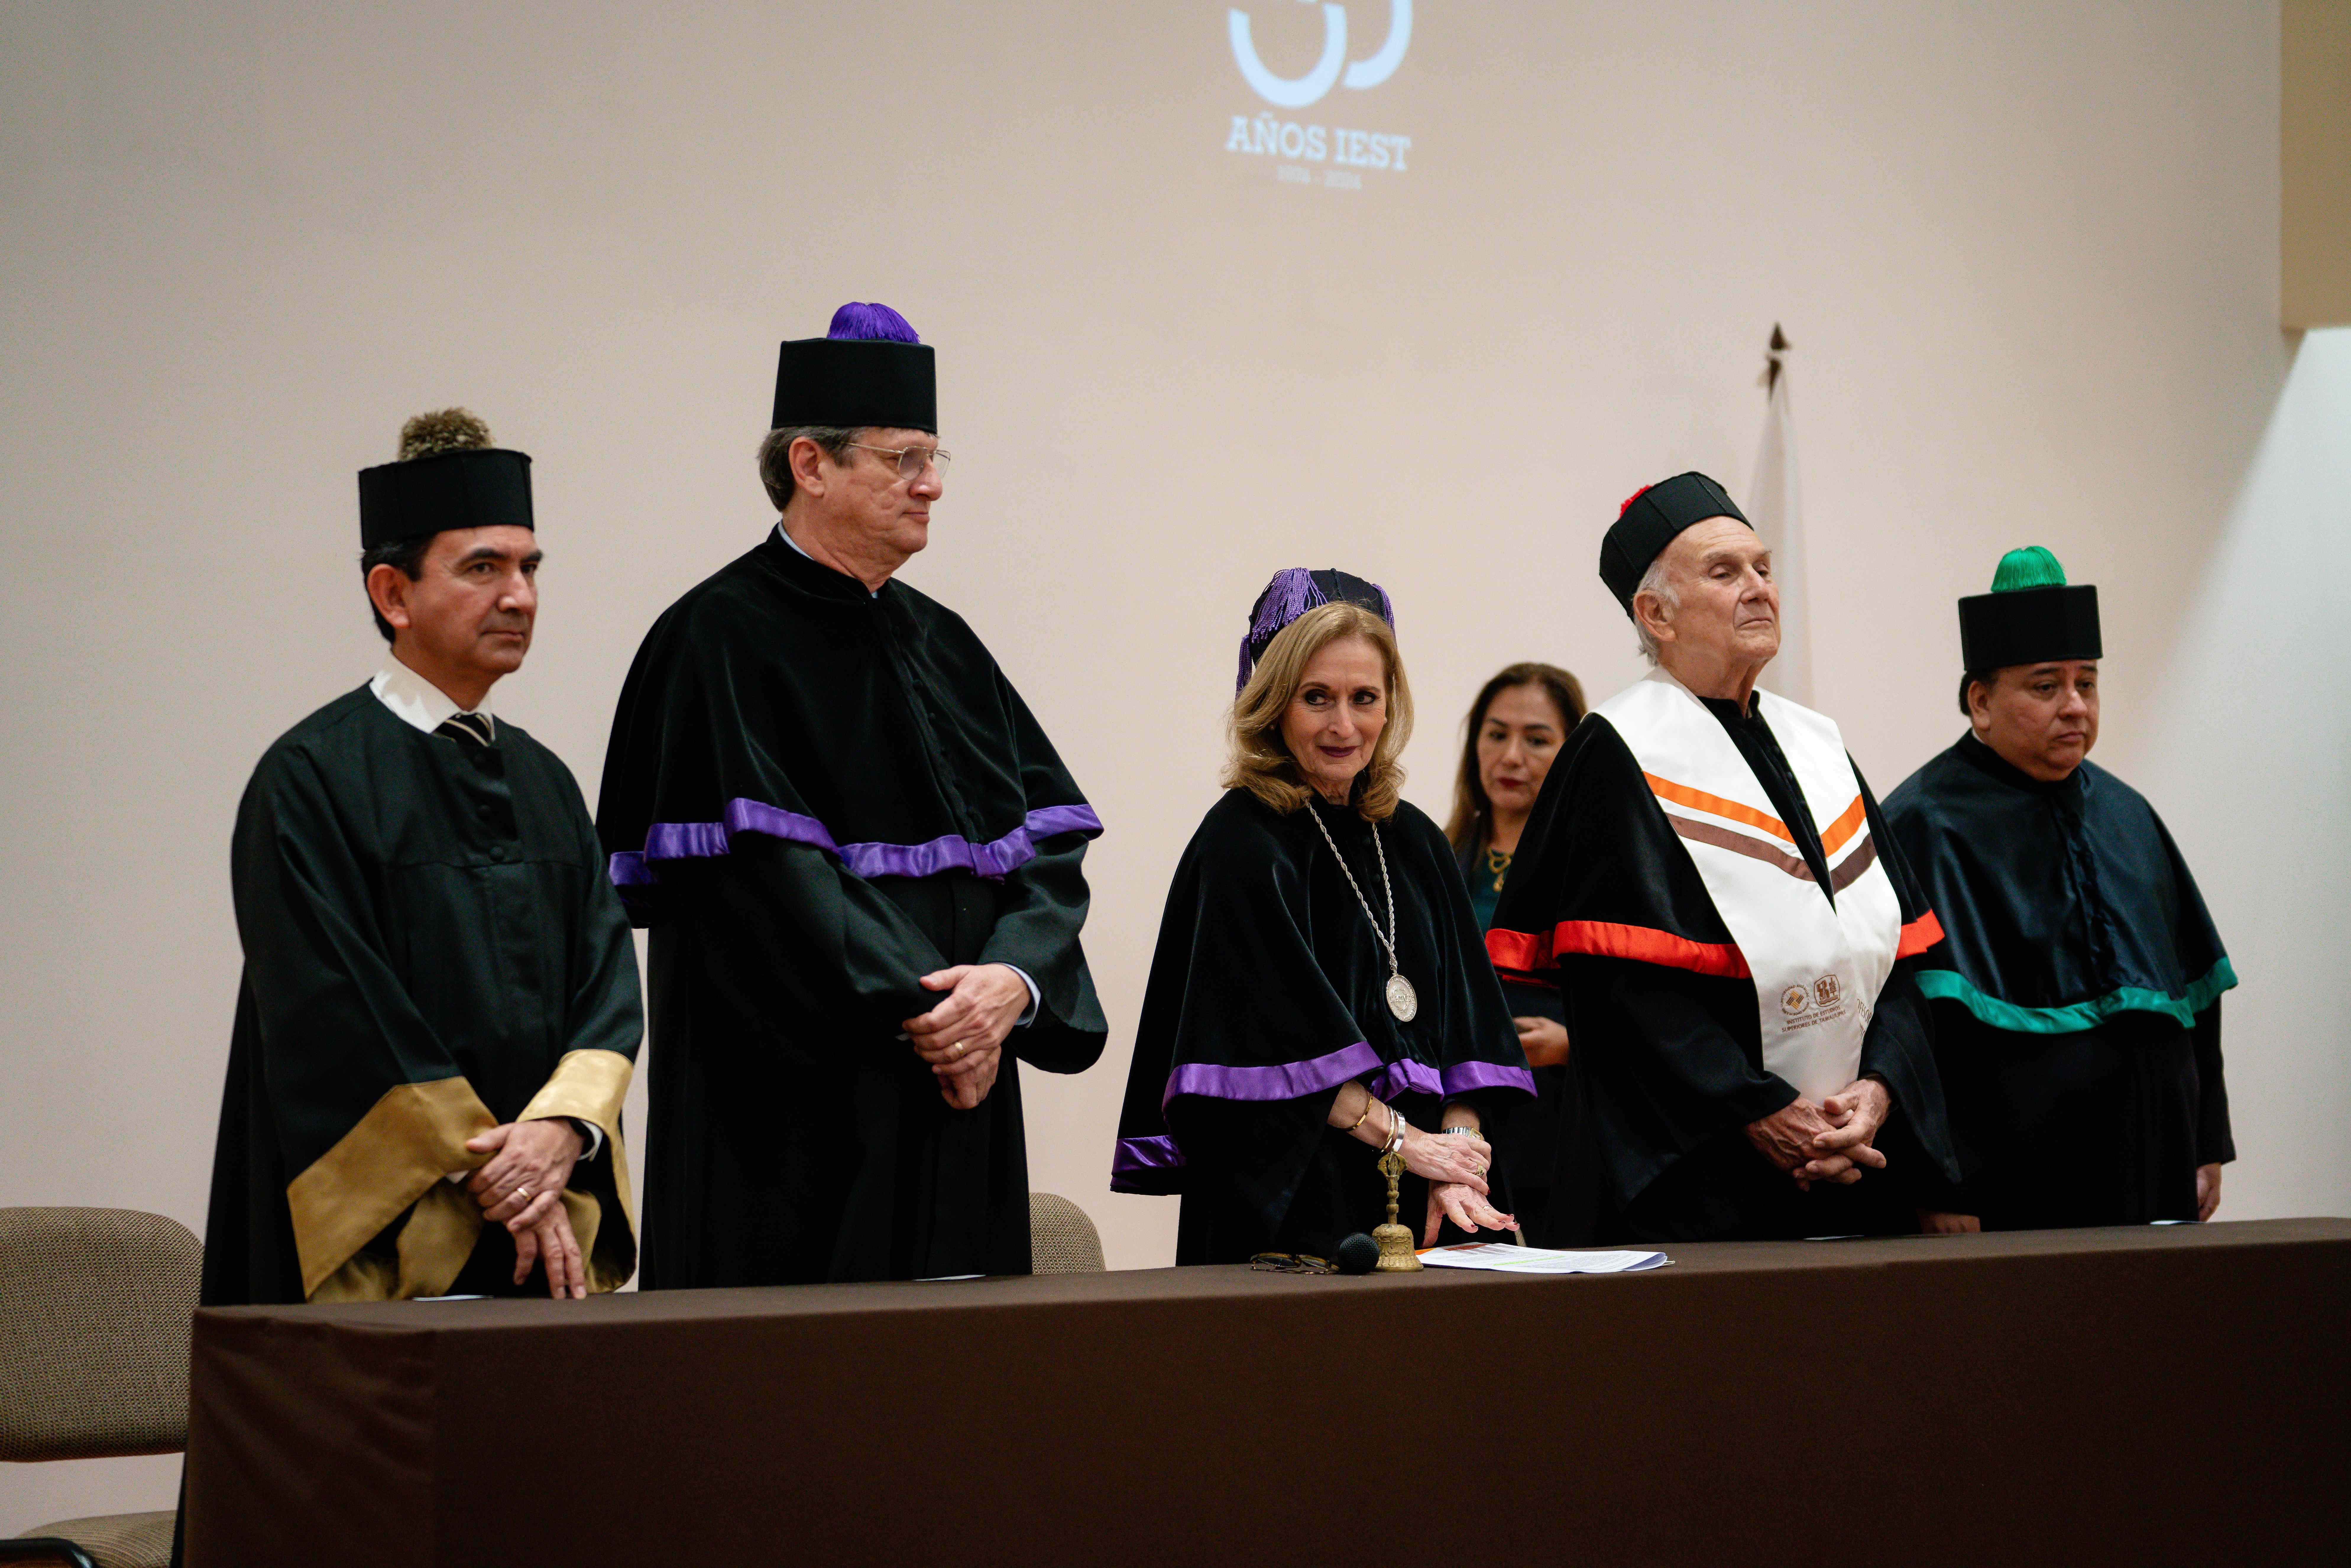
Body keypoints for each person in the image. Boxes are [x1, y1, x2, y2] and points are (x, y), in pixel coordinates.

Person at [598, 303, 1106, 1287]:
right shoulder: (715, 640)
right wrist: (937, 1015)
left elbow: (1048, 847)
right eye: (903, 458)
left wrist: (1013, 984)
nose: (932, 486)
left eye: (936, 458)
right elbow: (769, 886)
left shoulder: (946, 642)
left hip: (964, 1107)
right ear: (811, 464)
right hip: (796, 1125)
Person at [199, 410, 642, 1308]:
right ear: (394, 594)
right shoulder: (311, 778)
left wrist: (561, 1133)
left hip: (546, 1218)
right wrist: (507, 1180)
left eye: (528, 568)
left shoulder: (546, 781)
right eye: (483, 568)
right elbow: (339, 1015)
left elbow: (606, 984)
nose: (519, 596)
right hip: (386, 1251)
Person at [1489, 474, 1955, 1243]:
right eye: (1724, 572)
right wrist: (1761, 1110)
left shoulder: (1819, 746)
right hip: (1701, 1181)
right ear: (1656, 615)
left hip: (1854, 1159)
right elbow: (1623, 993)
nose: (1759, 590)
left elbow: (1900, 957)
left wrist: (1879, 1091)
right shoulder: (1618, 753)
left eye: (1764, 569)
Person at [1111, 569, 1534, 1263]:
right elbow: (1265, 1052)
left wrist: (1458, 1153)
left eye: (1364, 698)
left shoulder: (1417, 840)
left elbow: (1472, 1032)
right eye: (1317, 699)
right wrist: (1409, 1143)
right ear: (1274, 704)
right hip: (1298, 1204)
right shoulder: (1242, 845)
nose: (1345, 726)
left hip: (1433, 1200)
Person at [1884, 547, 2235, 1231]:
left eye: (2087, 683)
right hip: (2019, 1177)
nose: (2075, 707)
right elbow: (1921, 1038)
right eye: (2046, 687)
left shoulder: (2128, 814)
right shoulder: (1921, 825)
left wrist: (2205, 1142)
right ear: (1980, 702)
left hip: (2154, 1162)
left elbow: (2196, 994)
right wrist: (1946, 1184)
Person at [1444, 662, 1586, 1235]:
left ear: (1572, 752)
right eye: (1497, 734)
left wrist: (1576, 1046)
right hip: (1461, 1132)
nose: (1511, 757)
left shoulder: (1594, 867)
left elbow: (1647, 1008)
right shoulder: (1441, 859)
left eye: (1536, 740)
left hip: (1563, 1128)